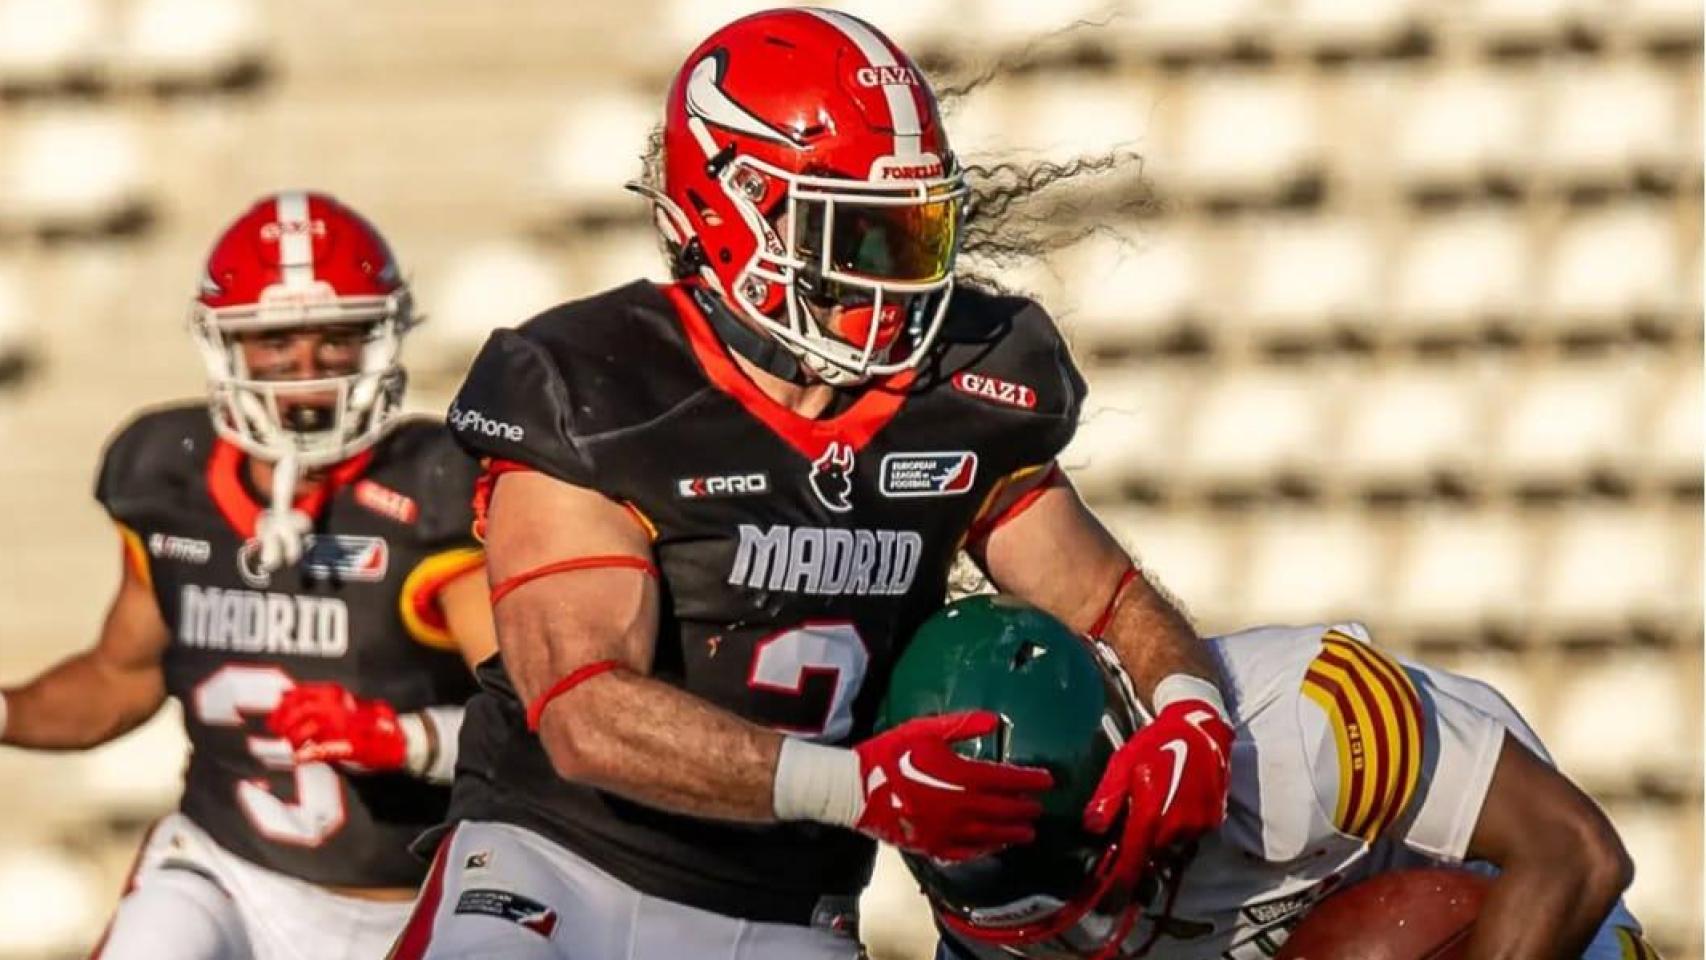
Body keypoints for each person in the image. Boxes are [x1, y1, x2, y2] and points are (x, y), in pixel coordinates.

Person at [392, 9, 1231, 960]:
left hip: (791, 905)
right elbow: (584, 710)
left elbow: (1106, 595)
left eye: (914, 234)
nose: (897, 282)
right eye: (856, 235)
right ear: (729, 213)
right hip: (557, 865)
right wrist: (857, 787)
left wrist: (1189, 708)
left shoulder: (965, 390)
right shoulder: (593, 385)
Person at [0, 190, 495, 960]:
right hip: (225, 870)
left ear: (382, 336)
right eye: (276, 341)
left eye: (336, 337)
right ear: (224, 346)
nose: (305, 367)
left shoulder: (434, 489)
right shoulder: (168, 476)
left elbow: (543, 721)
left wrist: (399, 739)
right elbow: (120, 677)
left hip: (419, 891)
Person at [882, 595, 1653, 960]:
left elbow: (1576, 854)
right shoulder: (990, 905)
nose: (1084, 922)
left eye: (1090, 879)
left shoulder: (1305, 722)